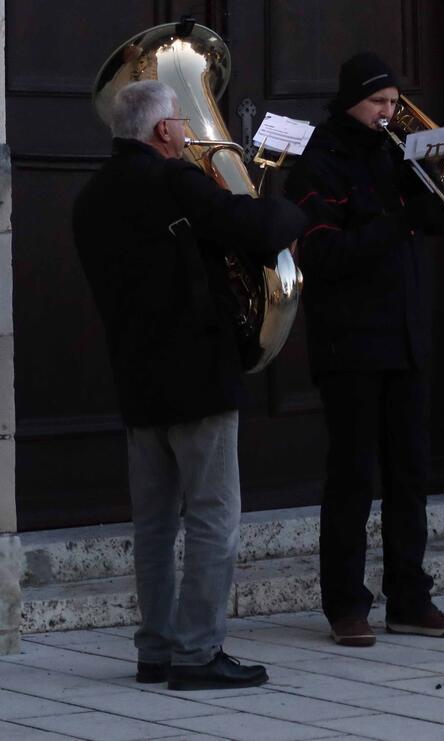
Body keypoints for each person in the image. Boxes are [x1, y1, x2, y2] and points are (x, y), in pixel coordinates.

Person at [73, 80, 306, 690]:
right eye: (180, 120)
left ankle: (155, 650)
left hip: (136, 376)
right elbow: (254, 227)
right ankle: (198, 653)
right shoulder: (173, 180)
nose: (186, 128)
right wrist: (291, 208)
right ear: (162, 131)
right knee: (213, 518)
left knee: (153, 524)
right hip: (198, 372)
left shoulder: (91, 196)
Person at [284, 53, 444, 647]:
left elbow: (442, 222)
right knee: (352, 477)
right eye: (378, 103)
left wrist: (440, 181)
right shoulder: (319, 160)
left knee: (409, 474)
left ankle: (410, 600)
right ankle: (346, 605)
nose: (389, 113)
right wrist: (402, 219)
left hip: (405, 336)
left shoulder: (399, 154)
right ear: (351, 102)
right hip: (350, 342)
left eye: (394, 102)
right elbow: (323, 254)